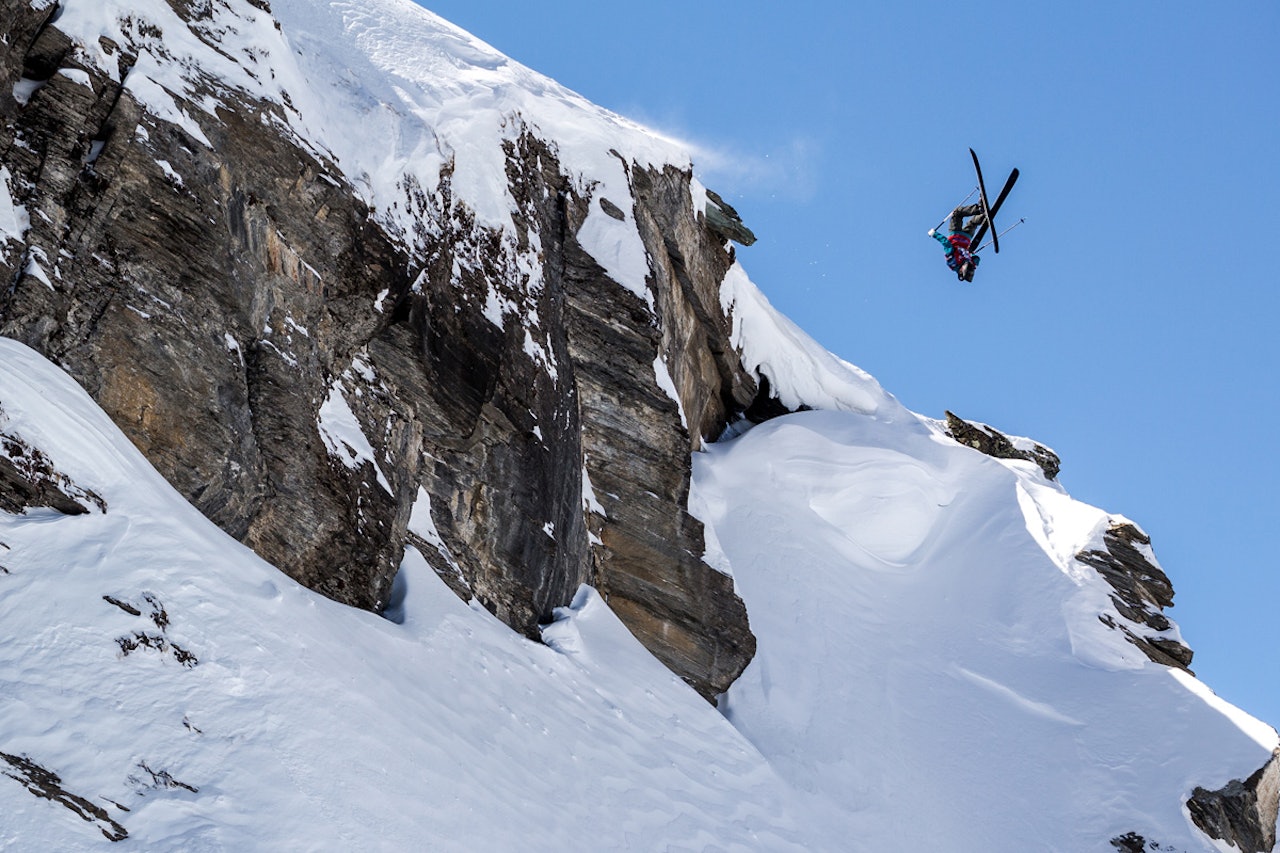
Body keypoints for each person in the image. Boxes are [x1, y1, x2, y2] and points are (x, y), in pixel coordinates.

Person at [929, 203, 986, 282]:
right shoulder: (969, 264)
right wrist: (934, 234)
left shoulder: (953, 262)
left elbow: (946, 243)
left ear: (960, 271)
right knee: (957, 214)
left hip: (962, 236)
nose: (968, 265)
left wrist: (935, 235)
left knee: (971, 222)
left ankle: (983, 215)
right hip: (960, 236)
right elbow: (977, 259)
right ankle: (980, 212)